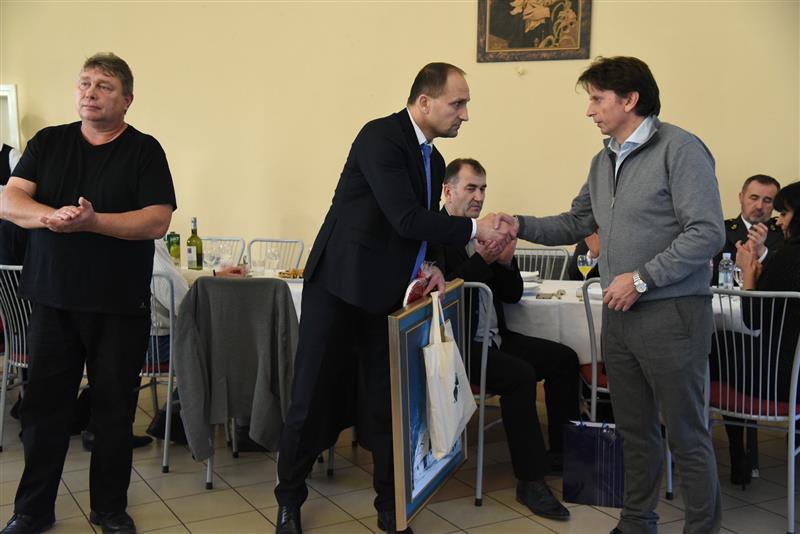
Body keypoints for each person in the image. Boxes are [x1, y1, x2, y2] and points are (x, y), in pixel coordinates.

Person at [274, 62, 514, 534]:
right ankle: (288, 502)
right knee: (310, 398)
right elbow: (405, 218)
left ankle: (391, 508)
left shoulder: (433, 160)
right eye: (458, 103)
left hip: (387, 296)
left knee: (388, 405)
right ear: (424, 102)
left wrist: (434, 266)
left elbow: (417, 232)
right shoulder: (380, 137)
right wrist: (475, 228)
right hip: (338, 288)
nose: (465, 114)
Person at [507, 56, 725, 534]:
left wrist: (642, 278)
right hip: (621, 317)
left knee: (687, 435)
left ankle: (702, 528)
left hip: (672, 315)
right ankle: (636, 522)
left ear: (630, 100)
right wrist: (517, 224)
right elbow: (576, 222)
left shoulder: (681, 149)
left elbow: (708, 233)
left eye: (597, 99)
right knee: (634, 430)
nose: (590, 110)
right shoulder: (603, 159)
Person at [0, 53, 176, 534]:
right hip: (53, 301)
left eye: (104, 86)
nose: (90, 93)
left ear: (127, 99)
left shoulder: (144, 151)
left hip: (119, 305)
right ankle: (33, 510)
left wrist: (93, 222)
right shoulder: (48, 142)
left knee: (113, 413)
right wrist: (49, 216)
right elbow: (9, 199)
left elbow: (156, 220)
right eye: (85, 83)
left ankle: (109, 509)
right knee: (43, 412)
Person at [440, 158, 578, 520]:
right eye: (471, 188)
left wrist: (504, 261)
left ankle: (561, 455)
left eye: (483, 189)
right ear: (448, 191)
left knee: (564, 359)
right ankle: (530, 481)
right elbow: (445, 295)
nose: (479, 196)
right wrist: (482, 260)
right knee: (519, 376)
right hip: (459, 345)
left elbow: (512, 295)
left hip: (496, 338)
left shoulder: (484, 234)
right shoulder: (436, 234)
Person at [712, 180, 800, 488]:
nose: (779, 220)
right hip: (796, 373)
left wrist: (749, 273)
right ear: (741, 198)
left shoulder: (788, 254)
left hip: (779, 379)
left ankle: (694, 444)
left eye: (784, 213)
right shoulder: (722, 230)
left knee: (716, 345)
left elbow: (753, 319)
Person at [712, 174, 782, 282]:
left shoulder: (783, 232)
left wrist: (763, 252)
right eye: (754, 198)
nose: (759, 206)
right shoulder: (721, 231)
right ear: (741, 198)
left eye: (767, 200)